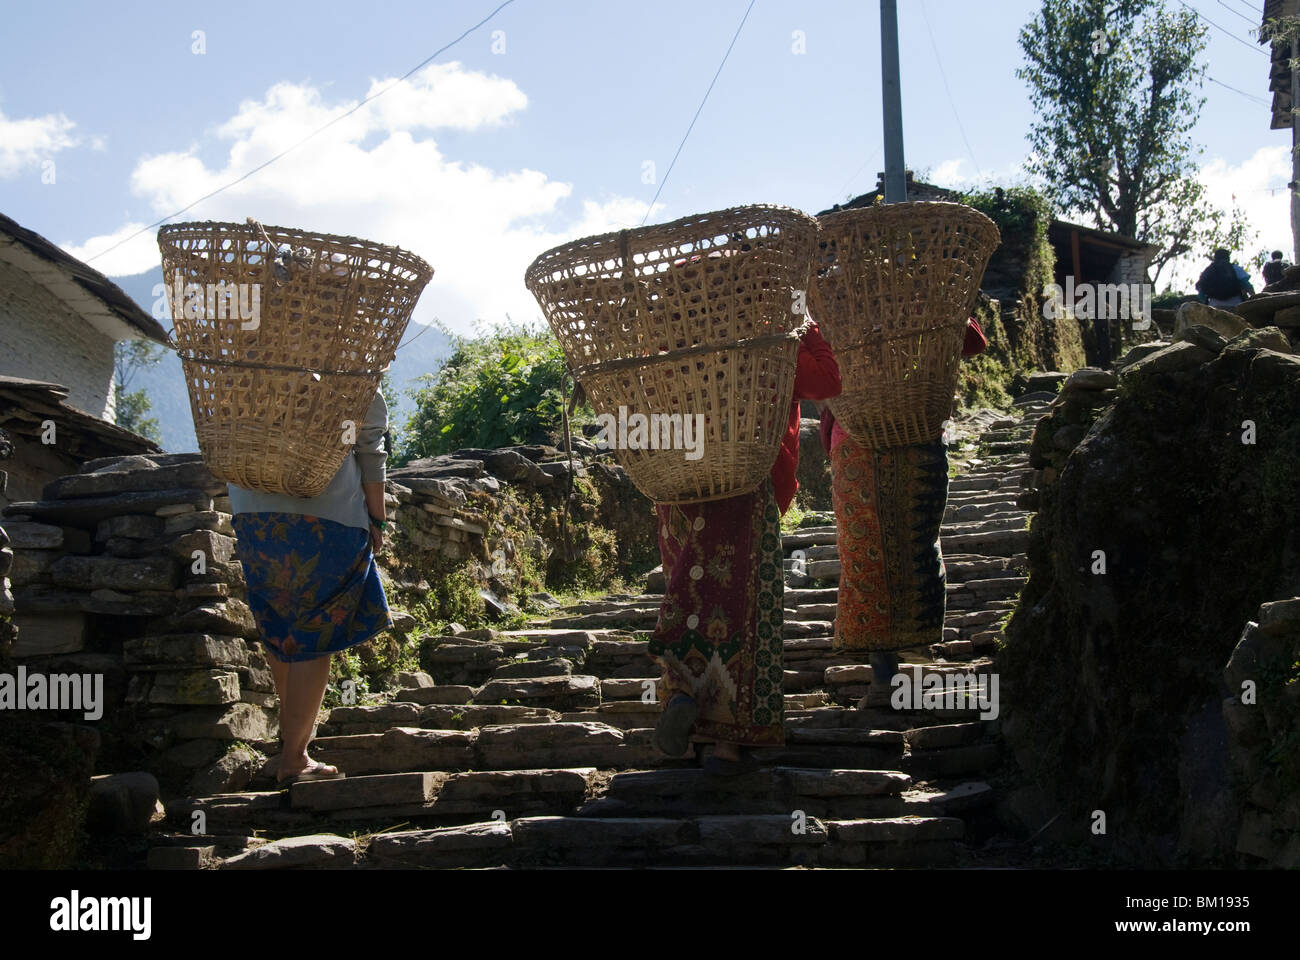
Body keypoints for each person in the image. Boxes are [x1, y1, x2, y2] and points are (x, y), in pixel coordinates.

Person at [651, 321, 841, 776]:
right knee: (743, 607)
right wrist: (808, 327)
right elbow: (827, 382)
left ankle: (680, 691)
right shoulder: (769, 332)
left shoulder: (666, 333)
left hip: (676, 484)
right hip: (743, 479)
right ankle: (727, 746)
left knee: (687, 592)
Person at [227, 385, 393, 786]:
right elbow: (367, 447)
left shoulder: (246, 362)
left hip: (253, 510)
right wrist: (378, 518)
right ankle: (295, 756)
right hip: (325, 511)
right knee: (314, 632)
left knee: (281, 628)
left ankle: (292, 745)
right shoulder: (351, 365)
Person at [821, 317, 987, 709]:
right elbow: (973, 341)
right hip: (918, 429)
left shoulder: (831, 308)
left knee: (867, 552)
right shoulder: (918, 298)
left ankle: (886, 675)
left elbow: (816, 378)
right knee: (915, 539)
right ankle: (910, 647)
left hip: (857, 437)